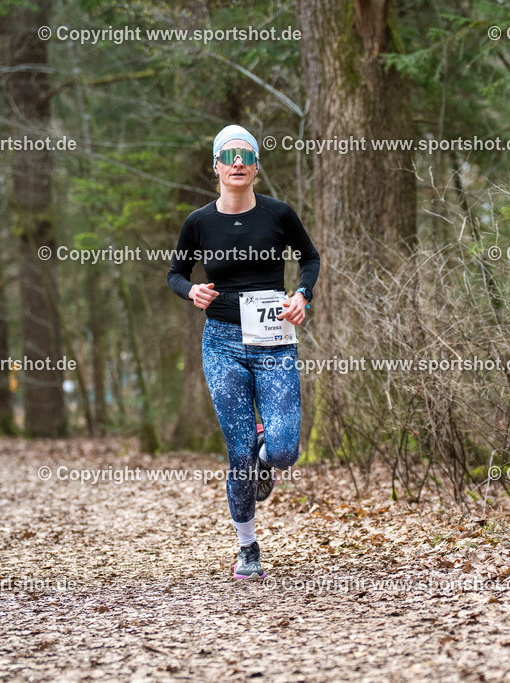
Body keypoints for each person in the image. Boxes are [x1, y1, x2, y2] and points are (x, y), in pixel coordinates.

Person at [167, 124, 320, 580]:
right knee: (238, 458)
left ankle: (264, 451)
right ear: (215, 166)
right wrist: (190, 291)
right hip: (221, 343)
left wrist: (302, 295)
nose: (237, 163)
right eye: (228, 155)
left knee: (286, 451)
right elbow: (175, 274)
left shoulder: (279, 213)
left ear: (256, 167)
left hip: (273, 341)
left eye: (246, 155)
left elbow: (310, 258)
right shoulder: (199, 222)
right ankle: (248, 548)